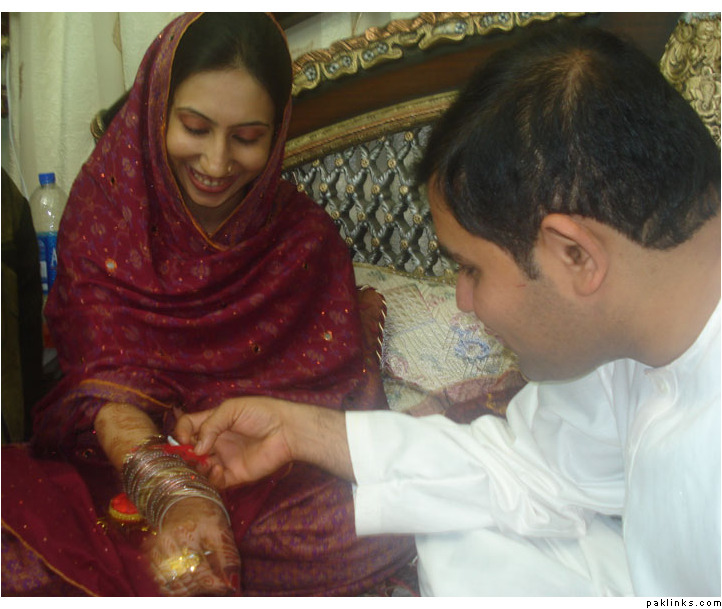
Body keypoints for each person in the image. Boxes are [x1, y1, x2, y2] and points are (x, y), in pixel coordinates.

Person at [175, 24, 721, 596]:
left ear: (575, 255)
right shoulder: (629, 324)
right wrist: (296, 431)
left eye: (472, 269)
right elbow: (532, 470)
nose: (462, 298)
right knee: (462, 536)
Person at [1, 12, 414, 596]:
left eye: (247, 138)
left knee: (380, 524)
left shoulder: (304, 240)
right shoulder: (106, 212)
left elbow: (335, 407)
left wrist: (233, 459)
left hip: (266, 479)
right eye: (195, 128)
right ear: (155, 113)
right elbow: (100, 386)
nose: (217, 164)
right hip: (120, 464)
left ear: (277, 132)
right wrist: (172, 491)